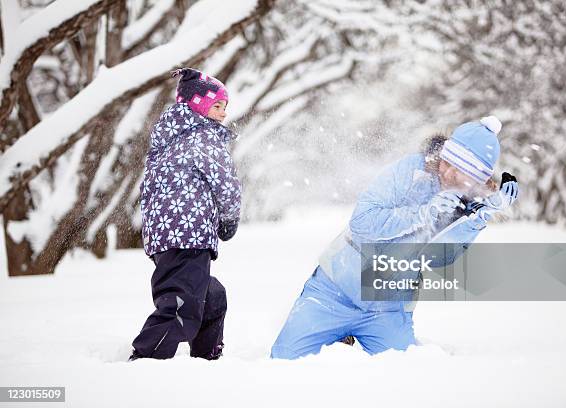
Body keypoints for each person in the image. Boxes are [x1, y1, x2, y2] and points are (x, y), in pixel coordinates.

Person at [270, 116, 519, 359]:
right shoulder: (410, 171)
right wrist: (423, 214)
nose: (449, 174)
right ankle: (337, 334)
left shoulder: (466, 206)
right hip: (333, 292)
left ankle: (357, 335)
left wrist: (475, 221)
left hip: (387, 310)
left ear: (478, 179)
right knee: (283, 360)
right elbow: (362, 221)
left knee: (407, 374)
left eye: (461, 171)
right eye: (447, 163)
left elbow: (437, 259)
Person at [129, 67, 241, 361]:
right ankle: (145, 360)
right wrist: (229, 220)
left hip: (166, 238)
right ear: (198, 105)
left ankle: (207, 357)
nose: (223, 113)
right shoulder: (204, 138)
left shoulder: (169, 141)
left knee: (211, 296)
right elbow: (226, 184)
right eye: (217, 105)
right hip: (187, 236)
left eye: (224, 107)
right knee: (182, 307)